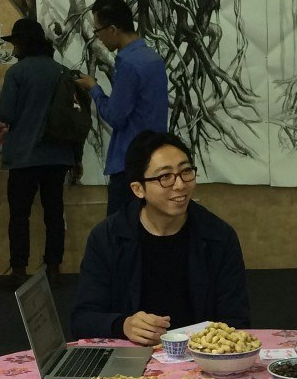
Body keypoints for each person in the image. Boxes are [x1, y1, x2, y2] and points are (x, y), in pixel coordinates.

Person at [71, 130, 249, 344]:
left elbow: (237, 320)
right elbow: (82, 320)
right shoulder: (108, 237)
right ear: (138, 189)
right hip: (130, 357)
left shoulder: (218, 236)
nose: (180, 184)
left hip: (201, 358)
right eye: (165, 176)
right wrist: (123, 325)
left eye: (186, 171)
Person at [0, 18, 78, 287]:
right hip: (57, 156)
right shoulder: (62, 71)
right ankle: (53, 268)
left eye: (15, 43)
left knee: (19, 215)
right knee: (53, 213)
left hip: (23, 156)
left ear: (22, 43)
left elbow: (6, 113)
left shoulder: (17, 73)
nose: (13, 49)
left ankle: (19, 270)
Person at [75, 0, 169, 216]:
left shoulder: (128, 63)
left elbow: (116, 116)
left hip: (130, 163)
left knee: (120, 235)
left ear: (113, 29)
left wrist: (94, 89)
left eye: (98, 31)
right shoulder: (152, 58)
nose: (98, 37)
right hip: (154, 159)